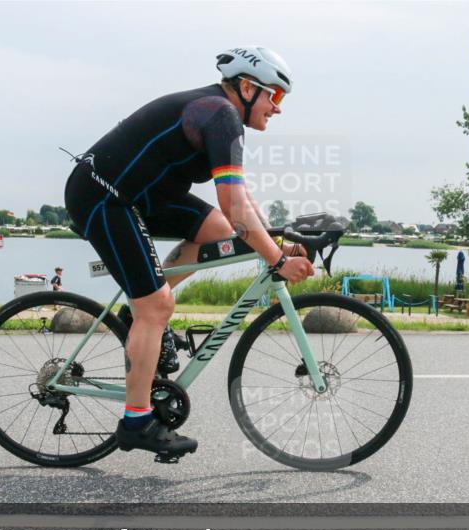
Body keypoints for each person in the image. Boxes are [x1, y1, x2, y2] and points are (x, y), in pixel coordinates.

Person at [64, 46, 313, 458]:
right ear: (248, 87)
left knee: (218, 231)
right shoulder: (220, 115)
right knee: (158, 307)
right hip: (103, 196)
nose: (278, 108)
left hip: (141, 194)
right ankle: (138, 420)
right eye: (276, 96)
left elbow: (240, 205)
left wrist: (275, 244)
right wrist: (279, 261)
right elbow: (235, 205)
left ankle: (136, 315)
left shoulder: (223, 115)